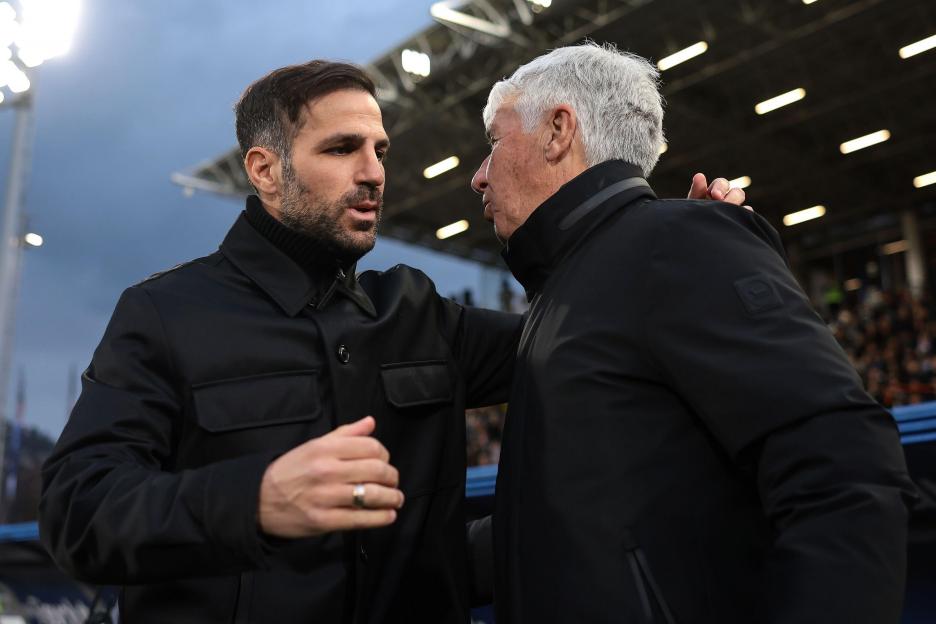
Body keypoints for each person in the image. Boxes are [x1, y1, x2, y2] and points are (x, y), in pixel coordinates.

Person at [39, 59, 738, 622]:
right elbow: (76, 512)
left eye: (380, 150)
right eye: (341, 148)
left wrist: (667, 256)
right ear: (264, 170)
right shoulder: (164, 313)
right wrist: (253, 500)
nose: (374, 172)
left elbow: (588, 336)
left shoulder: (417, 311)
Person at [469, 43, 918, 623]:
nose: (479, 176)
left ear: (558, 131)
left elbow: (846, 469)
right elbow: (581, 527)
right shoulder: (581, 289)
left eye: (494, 142)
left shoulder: (676, 245)